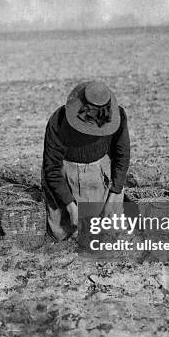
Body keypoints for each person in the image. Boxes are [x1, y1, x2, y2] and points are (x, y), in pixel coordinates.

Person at [42, 81, 130, 241]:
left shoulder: (117, 116)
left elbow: (122, 157)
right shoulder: (59, 121)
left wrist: (114, 195)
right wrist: (70, 206)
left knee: (109, 231)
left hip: (100, 177)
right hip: (66, 179)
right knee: (65, 233)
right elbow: (52, 168)